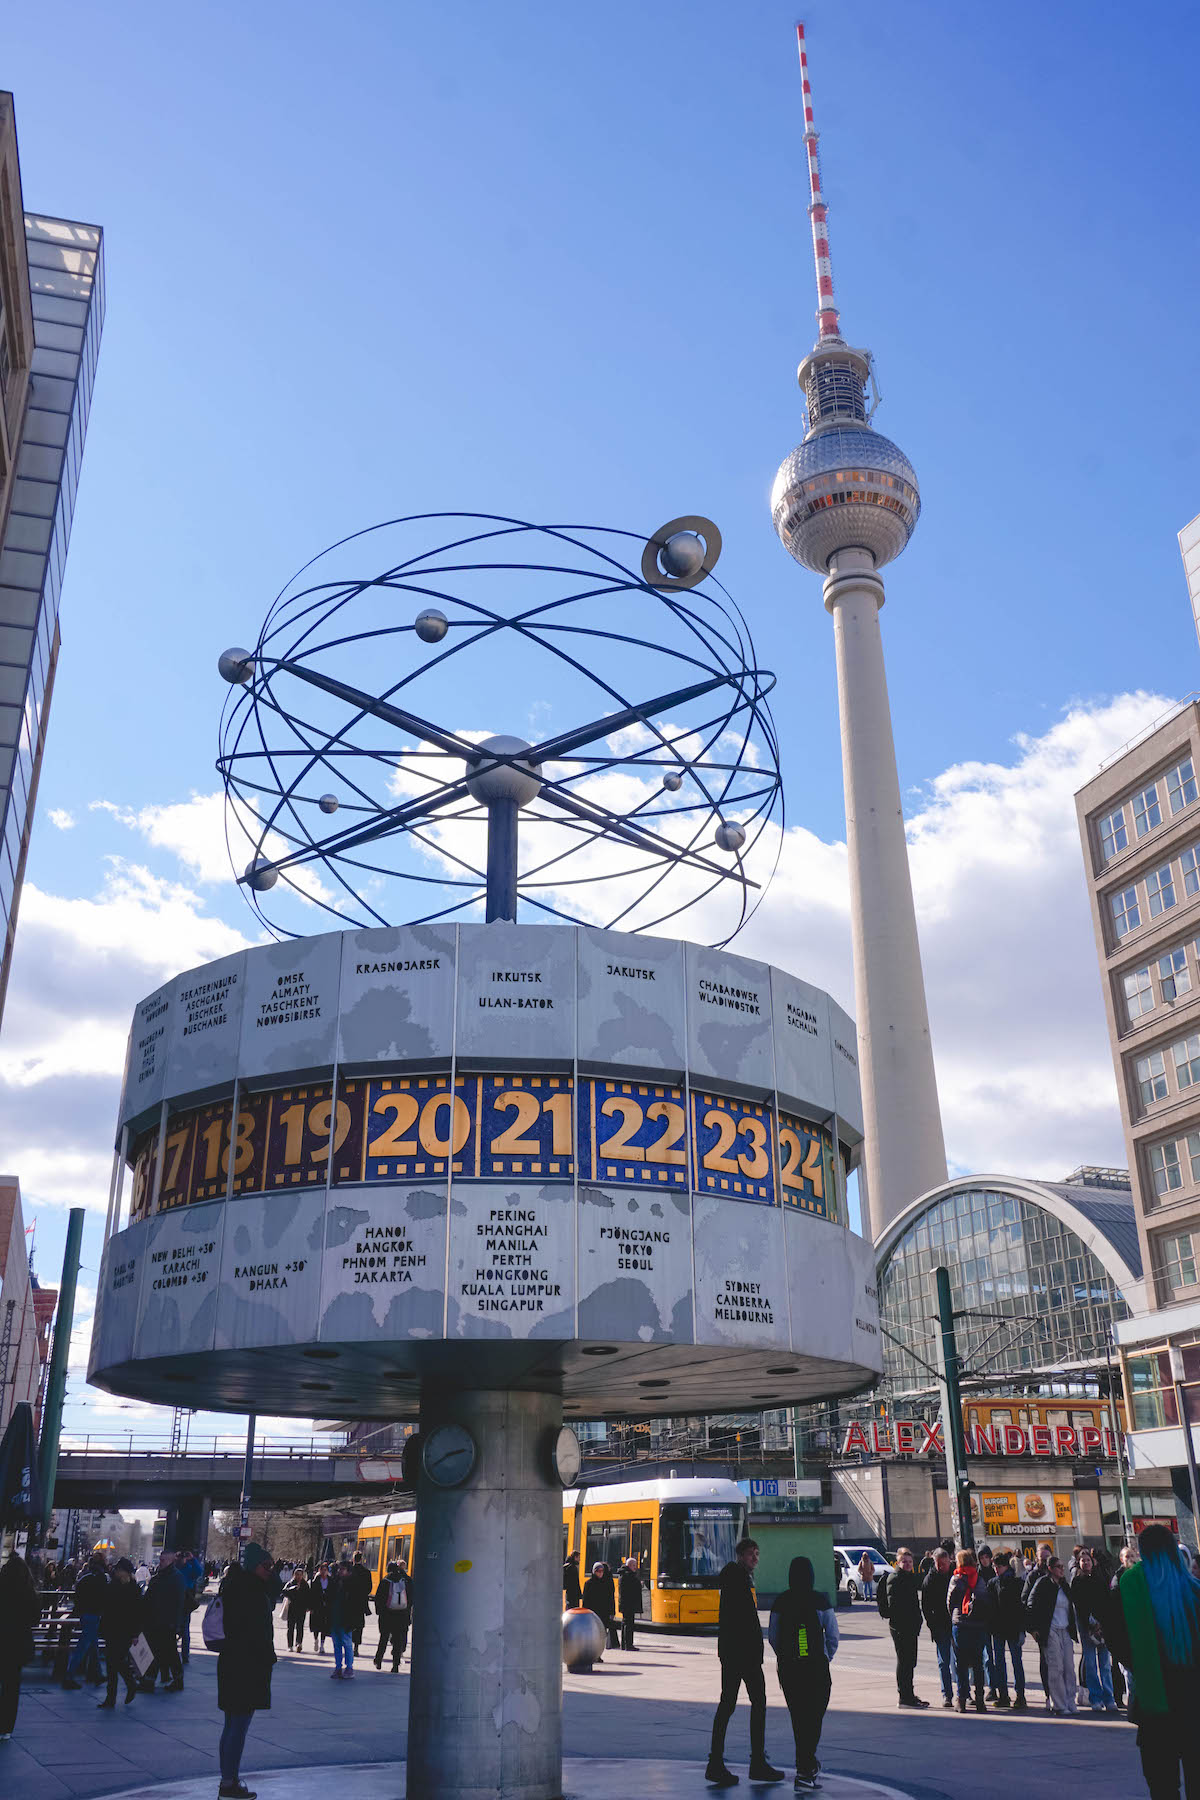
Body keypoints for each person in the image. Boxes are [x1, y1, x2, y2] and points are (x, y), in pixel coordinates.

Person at [1107, 1522, 1200, 1798]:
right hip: (1193, 1701)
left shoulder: (1129, 1585)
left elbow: (1116, 1639)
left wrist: (1138, 1663)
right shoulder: (1194, 1590)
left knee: (1162, 1784)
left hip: (1154, 1703)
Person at [705, 1536, 785, 1788]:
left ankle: (722, 1763)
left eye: (757, 1554)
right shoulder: (735, 1577)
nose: (755, 1559)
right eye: (751, 1554)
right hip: (741, 1654)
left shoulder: (737, 1577)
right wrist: (753, 1649)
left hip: (738, 1653)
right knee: (745, 1703)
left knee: (734, 1704)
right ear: (740, 1556)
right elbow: (741, 1620)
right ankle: (750, 1763)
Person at [768, 1555, 837, 1793]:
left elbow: (774, 1637)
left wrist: (785, 1658)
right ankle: (805, 1767)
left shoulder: (781, 1602)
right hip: (816, 1669)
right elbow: (833, 1635)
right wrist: (825, 1656)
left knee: (798, 1719)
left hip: (790, 1670)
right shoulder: (820, 1600)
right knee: (814, 1717)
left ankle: (804, 1767)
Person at [216, 1543, 278, 1800]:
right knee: (238, 1726)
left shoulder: (236, 1585)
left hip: (232, 1663)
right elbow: (255, 1632)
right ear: (254, 1566)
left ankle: (228, 1779)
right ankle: (229, 1784)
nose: (270, 1571)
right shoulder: (251, 1591)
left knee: (232, 1724)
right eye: (267, 1567)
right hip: (246, 1666)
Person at [877, 1546, 928, 1709]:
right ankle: (904, 1697)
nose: (907, 1564)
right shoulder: (895, 1578)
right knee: (904, 1661)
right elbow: (896, 1606)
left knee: (909, 1662)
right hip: (901, 1627)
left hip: (910, 1626)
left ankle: (909, 1694)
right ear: (897, 1563)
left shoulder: (907, 1577)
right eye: (904, 1562)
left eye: (910, 1562)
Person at [1027, 1556, 1078, 1716]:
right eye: (1058, 1567)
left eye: (1063, 1566)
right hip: (1051, 1630)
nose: (1062, 1569)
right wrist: (1033, 1628)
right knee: (1056, 1668)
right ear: (1050, 1569)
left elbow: (1072, 1605)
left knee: (1069, 1668)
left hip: (1065, 1630)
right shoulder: (1042, 1584)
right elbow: (1030, 1603)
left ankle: (1071, 1701)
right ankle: (1059, 1704)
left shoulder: (1064, 1585)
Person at [1071, 1547, 1117, 1714]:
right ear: (1079, 1563)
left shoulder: (1100, 1577)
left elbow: (1106, 1601)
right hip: (1086, 1627)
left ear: (1093, 1562)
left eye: (1088, 1560)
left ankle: (1109, 1697)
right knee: (1090, 1664)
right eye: (1083, 1561)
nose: (1086, 1563)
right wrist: (1090, 1623)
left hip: (1102, 1626)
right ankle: (1095, 1698)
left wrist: (1101, 1623)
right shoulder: (1077, 1582)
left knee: (1105, 1664)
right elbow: (1078, 1605)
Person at [0, 1552, 41, 1743]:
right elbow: (35, 1619)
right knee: (11, 1686)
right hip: (18, 1644)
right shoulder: (28, 1592)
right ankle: (6, 1727)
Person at [947, 1549, 990, 1713]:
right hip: (977, 1625)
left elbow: (950, 1603)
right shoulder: (978, 1578)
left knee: (961, 1664)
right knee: (978, 1663)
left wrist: (954, 1617)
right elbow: (984, 1599)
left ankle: (962, 1699)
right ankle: (980, 1699)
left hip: (961, 1625)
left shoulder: (956, 1578)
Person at [98, 1559, 144, 1709]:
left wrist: (135, 1633)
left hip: (125, 1630)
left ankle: (128, 1685)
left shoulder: (133, 1589)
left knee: (116, 1661)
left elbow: (137, 1613)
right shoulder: (113, 1585)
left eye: (119, 1570)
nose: (116, 1572)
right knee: (112, 1663)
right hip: (112, 1628)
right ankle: (113, 1696)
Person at [62, 1553, 108, 1691]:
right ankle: (69, 1676)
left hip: (85, 1613)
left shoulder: (85, 1577)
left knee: (92, 1645)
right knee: (83, 1646)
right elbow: (104, 1597)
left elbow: (78, 1595)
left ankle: (98, 1674)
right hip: (94, 1614)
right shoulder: (101, 1578)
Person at [142, 1552, 185, 1692]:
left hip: (165, 1621)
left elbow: (179, 1602)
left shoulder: (173, 1577)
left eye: (163, 1560)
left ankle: (152, 1680)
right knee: (163, 1651)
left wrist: (177, 1624)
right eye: (160, 1559)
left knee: (165, 1651)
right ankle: (173, 1680)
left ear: (171, 1560)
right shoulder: (164, 1576)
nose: (160, 1562)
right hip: (158, 1620)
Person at [990, 1551, 1026, 1711]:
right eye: (994, 1566)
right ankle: (1003, 1694)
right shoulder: (993, 1583)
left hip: (1012, 1627)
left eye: (999, 1566)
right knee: (1000, 1663)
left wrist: (1021, 1628)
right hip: (998, 1628)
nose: (996, 1569)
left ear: (1006, 1566)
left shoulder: (1016, 1583)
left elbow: (1020, 1607)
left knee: (1016, 1661)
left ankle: (1020, 1695)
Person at [920, 1547, 955, 1709]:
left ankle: (965, 1693)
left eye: (945, 1563)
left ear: (949, 1561)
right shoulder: (930, 1579)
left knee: (961, 1661)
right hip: (940, 1625)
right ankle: (947, 1694)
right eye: (939, 1564)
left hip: (956, 1623)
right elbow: (926, 1606)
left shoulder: (955, 1574)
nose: (942, 1567)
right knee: (944, 1662)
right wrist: (932, 1625)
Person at [1022, 1540, 1055, 1707]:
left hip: (1058, 1624)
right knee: (1047, 1661)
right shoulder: (1033, 1576)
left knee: (1062, 1662)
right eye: (1041, 1558)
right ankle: (1050, 1695)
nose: (1043, 1561)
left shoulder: (1057, 1574)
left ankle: (1061, 1694)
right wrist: (1032, 1628)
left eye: (1047, 1558)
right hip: (1042, 1627)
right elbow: (1025, 1601)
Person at [374, 1563, 411, 1670]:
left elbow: (378, 1598)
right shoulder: (405, 1581)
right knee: (397, 1640)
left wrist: (380, 1612)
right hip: (401, 1615)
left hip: (387, 1615)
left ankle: (378, 1660)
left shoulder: (385, 1581)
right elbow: (410, 1597)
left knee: (384, 1638)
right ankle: (395, 1664)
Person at [328, 1561, 362, 1679]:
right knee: (337, 1644)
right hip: (335, 1617)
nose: (339, 1571)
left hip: (346, 1619)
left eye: (342, 1569)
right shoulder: (335, 1582)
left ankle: (349, 1667)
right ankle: (338, 1667)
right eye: (339, 1569)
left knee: (347, 1643)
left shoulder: (353, 1584)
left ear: (348, 1571)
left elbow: (356, 1604)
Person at [581, 1562, 615, 1646]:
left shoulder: (606, 1583)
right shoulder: (588, 1583)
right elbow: (585, 1600)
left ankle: (598, 1654)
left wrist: (612, 1612)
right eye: (598, 1571)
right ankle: (593, 1653)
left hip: (604, 1612)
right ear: (594, 1572)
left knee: (602, 1634)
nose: (600, 1573)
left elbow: (610, 1598)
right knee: (593, 1634)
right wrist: (585, 1612)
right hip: (593, 1613)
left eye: (602, 1571)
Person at [349, 1553, 373, 1654]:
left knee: (349, 1624)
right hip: (361, 1602)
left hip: (349, 1602)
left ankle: (349, 1645)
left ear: (353, 1559)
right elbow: (369, 1588)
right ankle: (356, 1647)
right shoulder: (366, 1572)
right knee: (359, 1625)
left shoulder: (349, 1571)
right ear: (361, 1559)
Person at [283, 1567, 310, 1653]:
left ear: (302, 1575)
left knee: (300, 1627)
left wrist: (308, 1606)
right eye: (296, 1574)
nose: (298, 1576)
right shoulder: (290, 1583)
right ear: (294, 1575)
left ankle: (299, 1643)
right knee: (290, 1627)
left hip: (301, 1608)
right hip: (292, 1608)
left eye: (300, 1575)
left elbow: (308, 1596)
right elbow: (284, 1592)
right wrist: (293, 1589)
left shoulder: (305, 1585)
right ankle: (289, 1645)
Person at [619, 1556, 643, 1651]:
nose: (635, 1567)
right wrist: (639, 1584)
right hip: (628, 1603)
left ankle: (625, 1644)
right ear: (629, 1565)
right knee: (628, 1624)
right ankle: (628, 1644)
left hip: (626, 1603)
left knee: (626, 1623)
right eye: (634, 1565)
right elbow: (630, 1589)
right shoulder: (627, 1575)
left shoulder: (625, 1575)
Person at [309, 1563, 331, 1653]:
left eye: (325, 1570)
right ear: (319, 1571)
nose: (323, 1572)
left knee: (324, 1627)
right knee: (316, 1626)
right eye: (322, 1570)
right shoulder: (314, 1581)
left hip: (326, 1607)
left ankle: (322, 1644)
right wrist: (310, 1607)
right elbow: (311, 1595)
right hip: (316, 1606)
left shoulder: (330, 1581)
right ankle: (316, 1640)